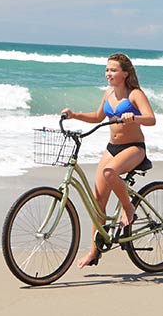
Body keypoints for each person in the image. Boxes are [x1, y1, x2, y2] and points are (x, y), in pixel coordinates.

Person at [61, 53, 156, 268]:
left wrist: (135, 117)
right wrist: (74, 115)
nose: (108, 74)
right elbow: (97, 117)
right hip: (112, 148)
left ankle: (128, 207)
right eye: (107, 70)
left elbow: (151, 119)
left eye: (113, 70)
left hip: (134, 148)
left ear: (125, 73)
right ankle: (95, 252)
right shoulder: (108, 94)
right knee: (98, 203)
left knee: (109, 172)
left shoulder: (135, 95)